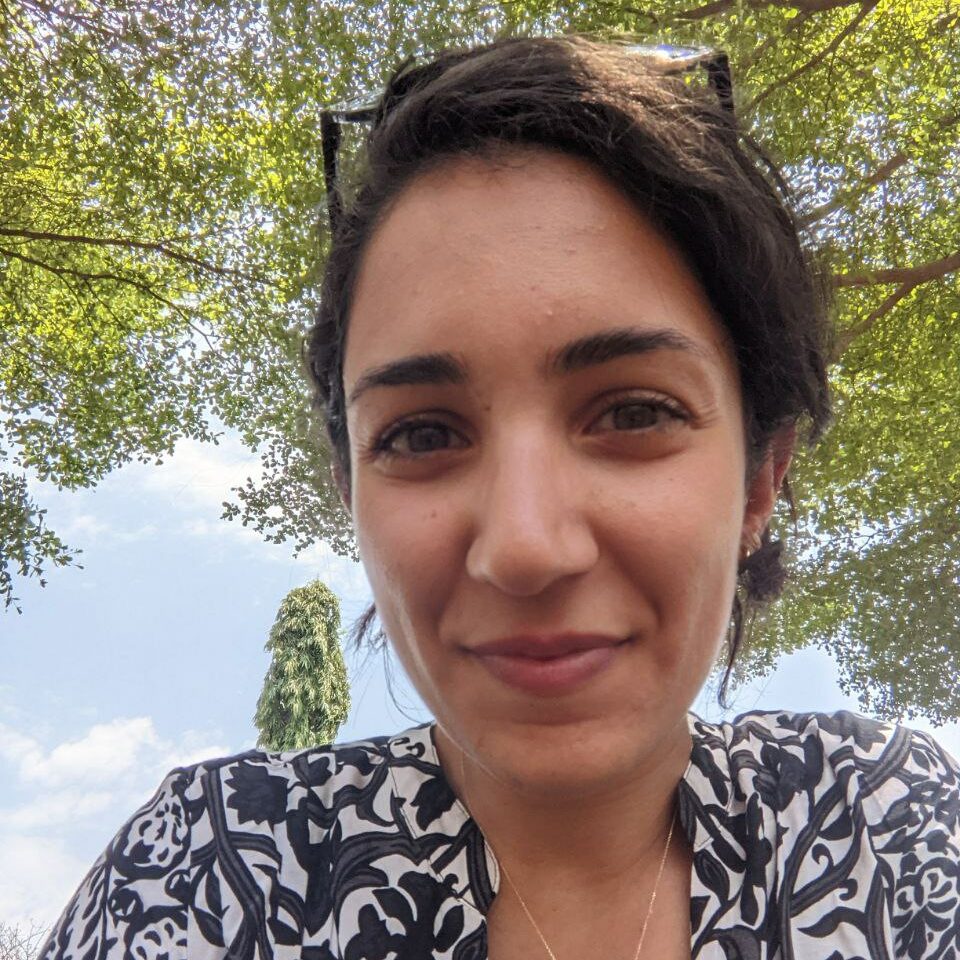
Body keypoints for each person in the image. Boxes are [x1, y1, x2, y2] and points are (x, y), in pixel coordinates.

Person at [40, 35, 959, 960]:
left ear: (761, 479)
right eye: (422, 434)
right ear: (353, 499)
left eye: (635, 412)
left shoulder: (896, 830)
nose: (525, 546)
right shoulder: (202, 870)